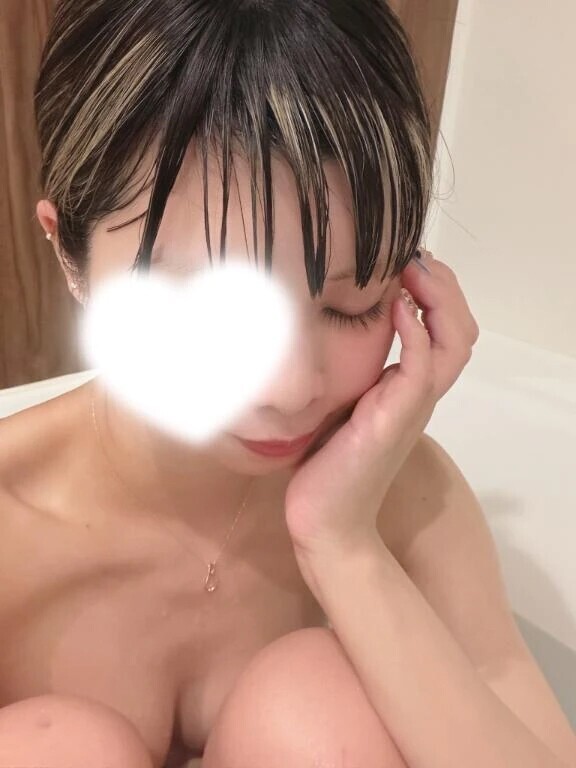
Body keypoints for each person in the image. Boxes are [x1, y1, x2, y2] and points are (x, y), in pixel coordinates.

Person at [6, 2, 573, 768]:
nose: (290, 387)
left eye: (353, 306)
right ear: (68, 256)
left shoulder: (401, 501)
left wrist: (344, 545)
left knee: (316, 707)